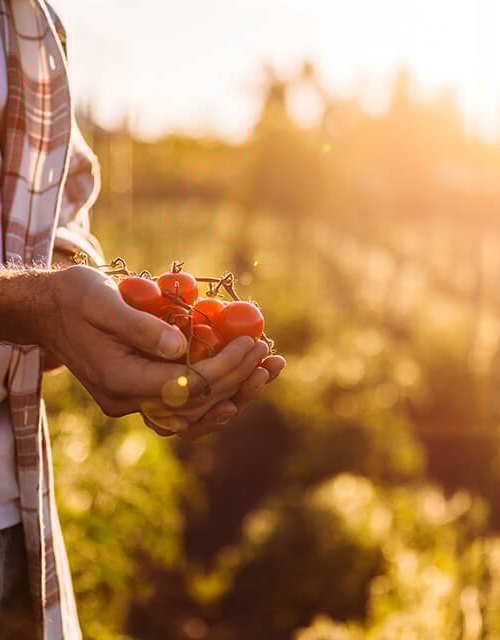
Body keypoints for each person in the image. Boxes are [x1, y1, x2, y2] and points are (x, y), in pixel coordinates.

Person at [0, 1, 286, 638]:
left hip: (13, 514)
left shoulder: (29, 17)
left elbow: (53, 218)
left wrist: (72, 300)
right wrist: (38, 307)